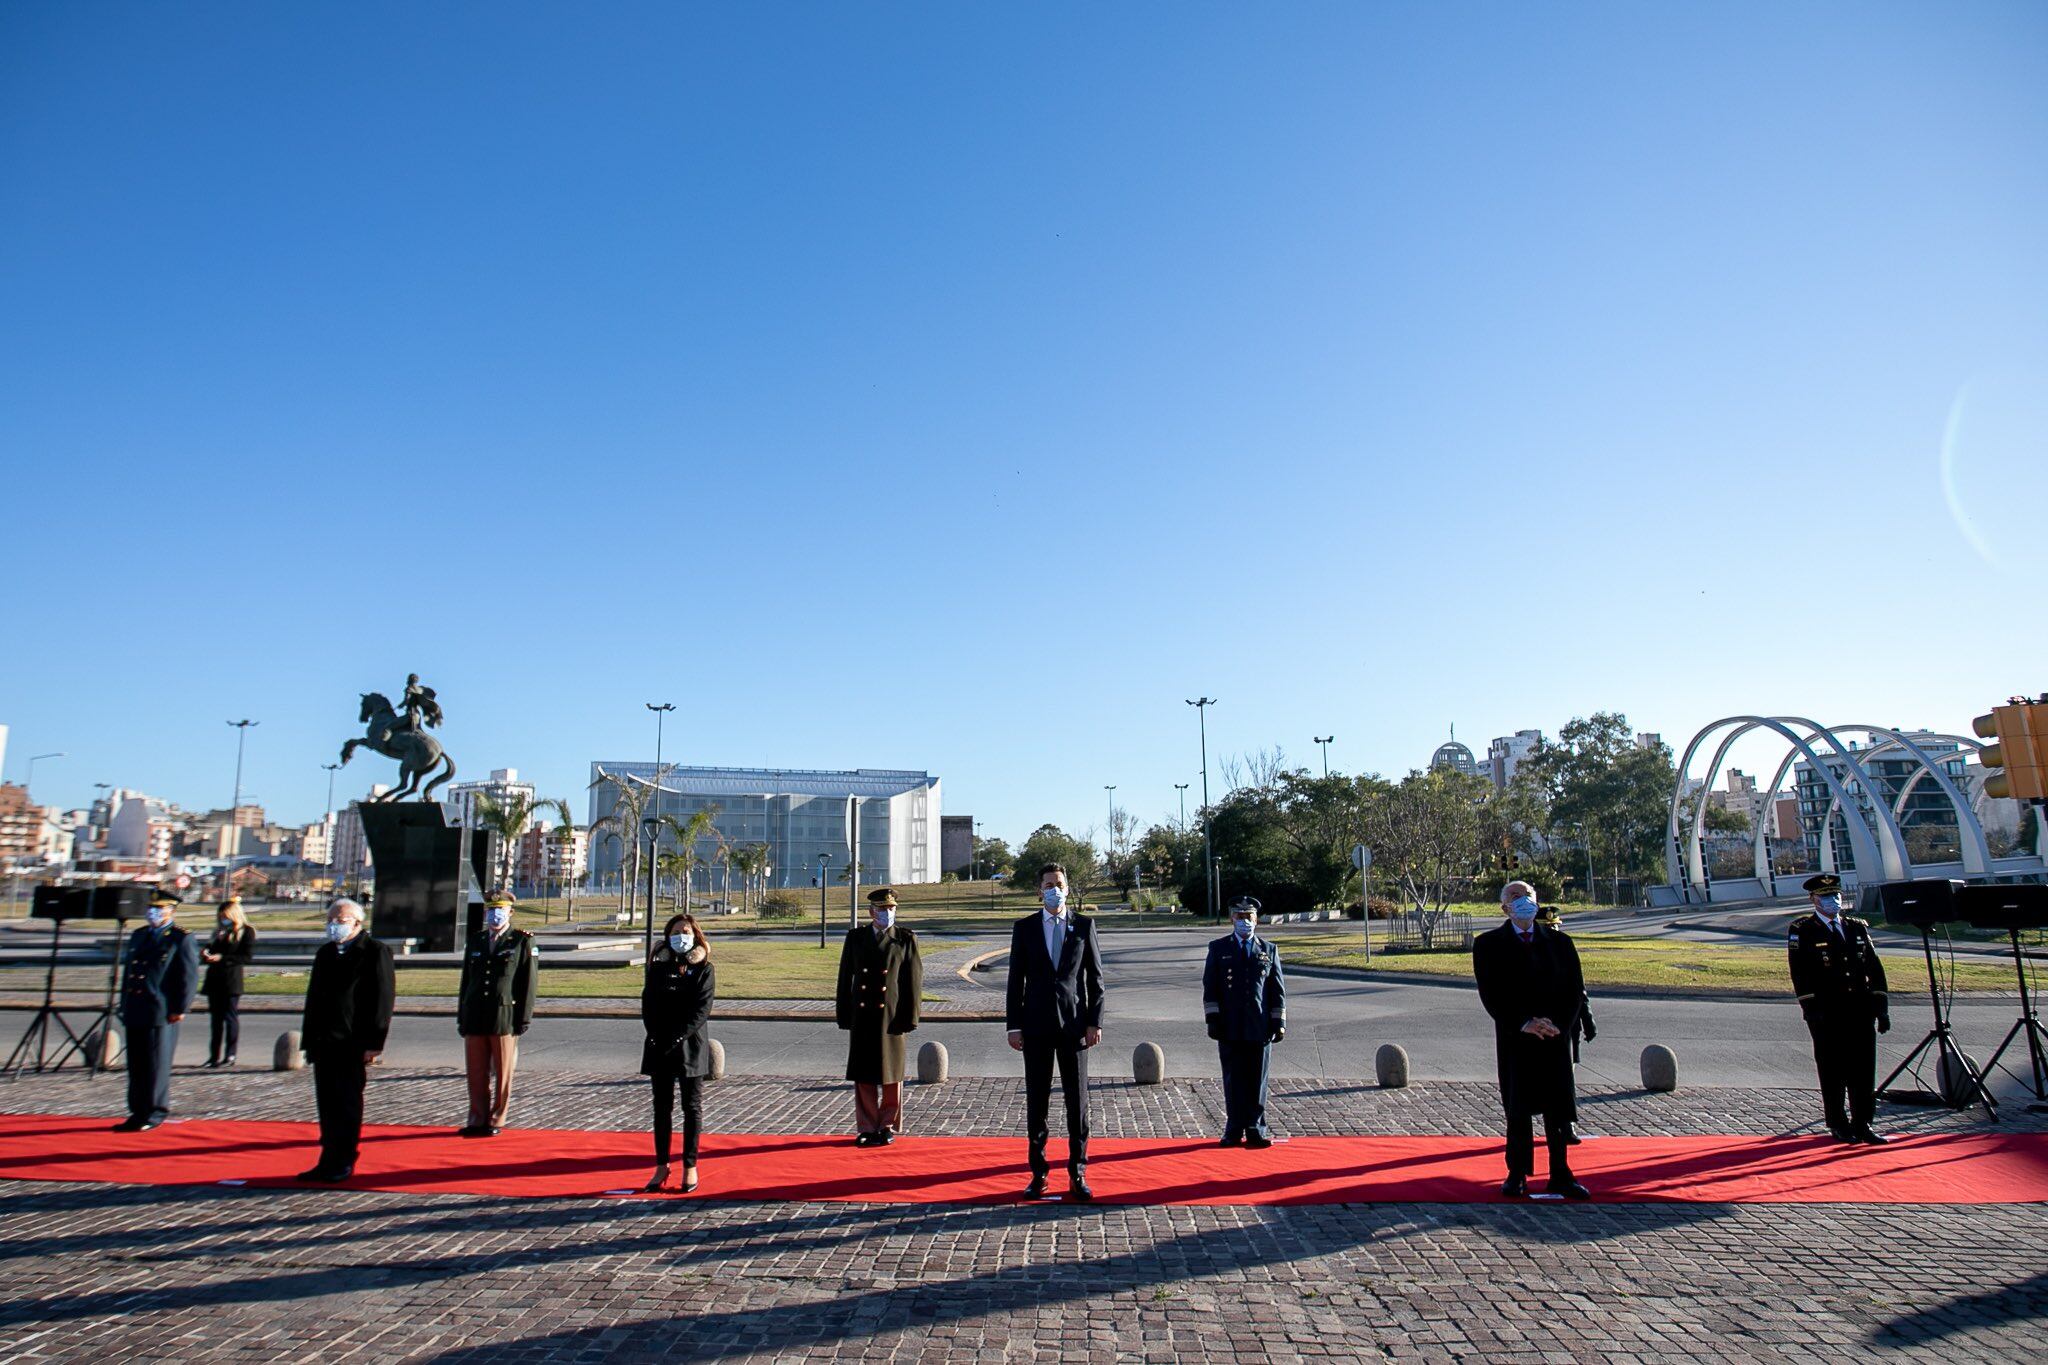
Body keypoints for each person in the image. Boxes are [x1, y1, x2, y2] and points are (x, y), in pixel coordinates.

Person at [1472, 881, 1590, 1200]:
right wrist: (1525, 1023)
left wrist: (1557, 1025)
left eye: (1527, 896)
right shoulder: (1488, 944)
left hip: (1553, 1036)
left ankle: (1561, 1173)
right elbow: (1491, 993)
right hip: (1516, 1037)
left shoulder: (1560, 942)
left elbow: (1574, 989)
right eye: (1514, 897)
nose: (1522, 901)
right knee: (1518, 1108)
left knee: (1557, 1107)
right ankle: (1517, 1173)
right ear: (1504, 907)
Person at [1005, 862, 1106, 1201]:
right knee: (1038, 1103)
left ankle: (1078, 1172)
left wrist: (1095, 1022)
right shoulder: (1025, 928)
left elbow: (1095, 980)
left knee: (1077, 1104)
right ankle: (1038, 1173)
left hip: (1074, 1027)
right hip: (1034, 1027)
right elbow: (1014, 981)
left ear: (1067, 886)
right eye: (1048, 883)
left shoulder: (1084, 926)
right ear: (1039, 890)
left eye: (1059, 882)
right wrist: (1014, 1025)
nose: (1054, 888)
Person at [1788, 872, 1891, 1144]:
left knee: (1863, 1068)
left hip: (1859, 1008)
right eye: (1825, 897)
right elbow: (1799, 972)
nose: (1832, 901)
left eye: (1835, 895)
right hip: (1827, 1011)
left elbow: (1874, 968)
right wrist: (1810, 1009)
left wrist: (1881, 1007)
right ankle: (1837, 1122)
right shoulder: (1803, 930)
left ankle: (1863, 1123)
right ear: (1813, 899)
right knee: (1833, 1069)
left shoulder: (1856, 927)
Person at [298, 897, 395, 1182]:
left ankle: (344, 1159)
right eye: (330, 921)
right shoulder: (326, 953)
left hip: (352, 1042)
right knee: (327, 1104)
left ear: (357, 922)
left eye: (340, 921)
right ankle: (327, 1158)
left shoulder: (375, 952)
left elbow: (382, 1000)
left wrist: (375, 1042)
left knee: (347, 1103)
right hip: (324, 1042)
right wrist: (308, 1041)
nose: (333, 926)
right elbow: (313, 1000)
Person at [835, 887, 923, 1146]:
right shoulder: (856, 938)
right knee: (863, 1074)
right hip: (862, 1014)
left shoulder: (905, 938)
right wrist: (844, 1014)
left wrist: (911, 1016)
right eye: (883, 909)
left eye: (892, 908)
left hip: (891, 1016)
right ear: (871, 911)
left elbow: (913, 982)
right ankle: (866, 1126)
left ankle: (887, 1124)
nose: (888, 913)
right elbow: (845, 979)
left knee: (891, 1073)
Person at [1203, 895, 1287, 1147]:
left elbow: (1276, 989)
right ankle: (1233, 1128)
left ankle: (1255, 1127)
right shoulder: (1218, 949)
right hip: (1229, 1026)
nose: (1244, 921)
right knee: (1233, 1078)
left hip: (1259, 1026)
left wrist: (1278, 1021)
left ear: (1256, 920)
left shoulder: (1268, 950)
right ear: (1232, 919)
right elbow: (1211, 986)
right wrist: (1212, 1018)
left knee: (1257, 1078)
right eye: (1240, 917)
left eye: (1249, 917)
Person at [114, 888, 200, 1131]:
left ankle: (154, 1112)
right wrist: (124, 1003)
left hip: (161, 1010)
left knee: (156, 1064)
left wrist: (180, 1007)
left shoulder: (180, 938)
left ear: (170, 911)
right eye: (151, 909)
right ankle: (137, 1111)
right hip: (136, 1007)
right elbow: (130, 974)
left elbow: (188, 977)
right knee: (137, 1064)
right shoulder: (139, 935)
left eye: (159, 909)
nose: (153, 913)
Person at [642, 912, 715, 1193]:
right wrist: (656, 1033)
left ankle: (690, 1165)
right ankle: (661, 1165)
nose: (680, 936)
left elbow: (701, 1009)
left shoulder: (704, 968)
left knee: (691, 1107)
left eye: (686, 931)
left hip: (689, 1046)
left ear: (695, 935)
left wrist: (677, 1035)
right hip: (659, 1045)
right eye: (675, 931)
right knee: (661, 1108)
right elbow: (648, 1004)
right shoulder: (657, 967)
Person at [456, 889, 537, 1136]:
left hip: (503, 1015)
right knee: (476, 1070)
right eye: (491, 910)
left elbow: (528, 984)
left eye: (500, 910)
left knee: (503, 1071)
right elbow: (466, 981)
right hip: (475, 1013)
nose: (495, 915)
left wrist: (523, 1017)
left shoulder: (521, 941)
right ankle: (476, 1118)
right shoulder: (477, 940)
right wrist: (462, 1014)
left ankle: (496, 1118)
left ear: (510, 913)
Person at [1535, 903, 1596, 1143]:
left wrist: (1587, 1019)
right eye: (1549, 928)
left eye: (1556, 927)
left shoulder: (1565, 947)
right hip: (1540, 1025)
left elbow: (1579, 989)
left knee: (1567, 1077)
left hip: (1568, 1026)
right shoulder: (1529, 952)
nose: (1554, 931)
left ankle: (1566, 1124)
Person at [200, 895, 257, 1068]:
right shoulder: (218, 932)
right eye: (220, 917)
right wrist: (205, 954)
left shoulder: (246, 931)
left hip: (231, 980)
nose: (222, 920)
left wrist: (223, 958)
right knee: (215, 1020)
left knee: (229, 1017)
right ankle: (213, 1056)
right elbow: (210, 949)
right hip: (214, 980)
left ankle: (230, 1055)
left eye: (225, 916)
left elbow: (246, 957)